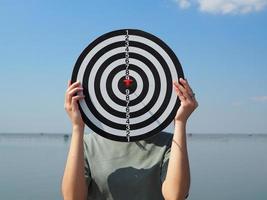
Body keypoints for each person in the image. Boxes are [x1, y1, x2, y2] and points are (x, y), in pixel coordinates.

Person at [61, 78, 198, 200]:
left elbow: (175, 196)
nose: (127, 95)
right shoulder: (88, 144)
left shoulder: (169, 143)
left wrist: (180, 122)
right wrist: (77, 127)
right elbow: (72, 197)